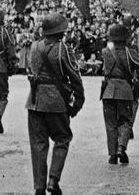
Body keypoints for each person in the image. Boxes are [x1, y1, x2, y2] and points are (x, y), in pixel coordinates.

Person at [25, 12, 85, 195]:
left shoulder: (34, 47)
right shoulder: (63, 49)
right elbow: (74, 77)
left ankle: (39, 187)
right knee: (62, 138)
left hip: (34, 101)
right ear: (60, 32)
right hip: (56, 102)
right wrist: (78, 102)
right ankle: (53, 179)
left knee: (38, 145)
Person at [100, 23, 139, 165]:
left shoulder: (106, 52)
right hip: (125, 91)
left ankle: (112, 155)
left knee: (110, 124)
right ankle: (121, 147)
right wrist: (136, 90)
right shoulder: (130, 53)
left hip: (108, 91)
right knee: (126, 120)